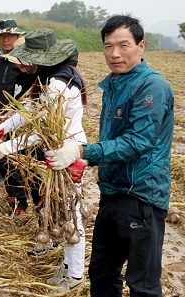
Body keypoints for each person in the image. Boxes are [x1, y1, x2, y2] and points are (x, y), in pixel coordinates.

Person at [45, 15, 174, 296]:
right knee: (102, 273)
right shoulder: (115, 84)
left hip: (142, 195)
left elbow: (138, 141)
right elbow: (114, 140)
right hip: (113, 191)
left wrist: (83, 151)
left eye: (123, 45)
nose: (115, 54)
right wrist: (84, 159)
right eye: (108, 46)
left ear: (141, 46)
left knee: (142, 284)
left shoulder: (151, 87)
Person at [0, 28, 87, 291]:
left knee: (71, 216)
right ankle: (67, 266)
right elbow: (30, 111)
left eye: (27, 58)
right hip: (54, 151)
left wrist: (8, 146)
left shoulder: (58, 83)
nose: (23, 63)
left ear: (39, 58)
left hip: (69, 154)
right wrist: (3, 128)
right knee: (58, 209)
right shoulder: (47, 77)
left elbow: (42, 127)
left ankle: (75, 275)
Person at [0, 19, 34, 218]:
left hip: (16, 118)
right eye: (2, 36)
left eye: (10, 36)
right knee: (0, 158)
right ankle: (12, 195)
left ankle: (21, 201)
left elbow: (29, 92)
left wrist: (12, 111)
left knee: (14, 159)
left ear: (17, 37)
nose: (5, 40)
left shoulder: (24, 61)